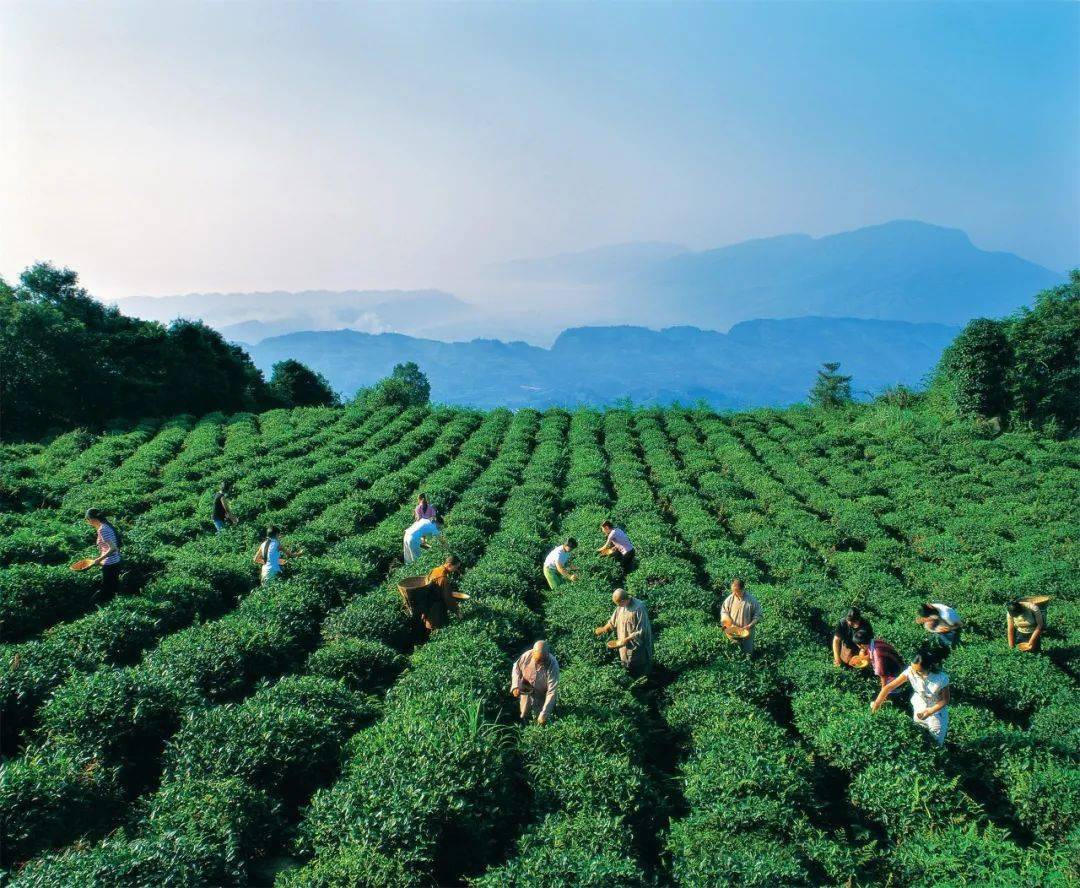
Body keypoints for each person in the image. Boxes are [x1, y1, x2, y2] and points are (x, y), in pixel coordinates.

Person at [871, 646, 951, 745]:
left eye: (918, 671)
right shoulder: (910, 671)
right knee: (919, 738)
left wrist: (929, 711)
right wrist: (877, 703)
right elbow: (889, 687)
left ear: (928, 668)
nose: (913, 672)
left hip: (936, 712)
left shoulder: (941, 678)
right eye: (913, 668)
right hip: (919, 706)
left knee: (936, 743)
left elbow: (945, 700)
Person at [595, 588, 653, 677]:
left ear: (623, 600)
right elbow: (612, 622)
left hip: (638, 651)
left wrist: (626, 639)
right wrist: (603, 629)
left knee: (641, 675)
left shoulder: (639, 608)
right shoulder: (621, 607)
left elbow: (642, 631)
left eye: (619, 604)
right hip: (624, 650)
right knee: (628, 670)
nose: (618, 606)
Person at [511, 640, 560, 725]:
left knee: (541, 722)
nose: (540, 663)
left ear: (548, 654)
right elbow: (516, 668)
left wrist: (544, 713)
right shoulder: (526, 656)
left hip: (542, 698)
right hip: (526, 694)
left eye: (543, 660)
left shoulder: (553, 664)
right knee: (525, 717)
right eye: (538, 660)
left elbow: (552, 691)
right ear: (533, 652)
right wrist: (515, 686)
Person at [414, 555, 462, 631]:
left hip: (427, 606)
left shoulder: (435, 570)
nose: (456, 569)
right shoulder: (443, 578)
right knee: (436, 630)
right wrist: (457, 611)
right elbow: (448, 598)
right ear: (449, 565)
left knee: (429, 628)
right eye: (455, 567)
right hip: (436, 610)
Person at [84, 508, 122, 598]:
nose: (89, 522)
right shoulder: (106, 526)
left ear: (93, 519)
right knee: (112, 588)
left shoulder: (103, 529)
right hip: (114, 561)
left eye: (88, 520)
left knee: (107, 591)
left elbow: (113, 548)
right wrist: (101, 561)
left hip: (110, 564)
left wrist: (99, 559)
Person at [855, 629, 905, 693]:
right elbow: (870, 654)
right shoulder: (875, 641)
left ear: (861, 645)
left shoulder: (877, 654)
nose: (858, 647)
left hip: (894, 673)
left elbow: (882, 674)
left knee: (891, 690)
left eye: (858, 645)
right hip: (898, 664)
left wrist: (883, 689)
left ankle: (897, 694)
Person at [720, 578, 762, 654]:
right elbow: (724, 612)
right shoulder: (729, 599)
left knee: (747, 654)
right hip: (733, 633)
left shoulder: (751, 600)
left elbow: (758, 615)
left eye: (736, 591)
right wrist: (726, 624)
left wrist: (750, 625)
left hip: (747, 633)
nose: (734, 593)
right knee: (734, 653)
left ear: (742, 589)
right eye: (733, 591)